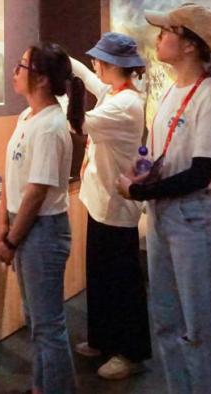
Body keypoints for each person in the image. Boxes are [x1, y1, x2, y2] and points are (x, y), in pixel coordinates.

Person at [115, 3, 211, 394]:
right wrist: (145, 173)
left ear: (190, 44)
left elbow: (201, 174)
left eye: (167, 31)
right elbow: (166, 157)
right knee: (167, 323)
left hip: (197, 220)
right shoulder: (171, 92)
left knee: (203, 329)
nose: (159, 37)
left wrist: (139, 190)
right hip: (164, 216)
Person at [0, 43, 85, 394]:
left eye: (22, 66)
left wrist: (11, 239)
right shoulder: (27, 117)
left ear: (43, 79)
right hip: (24, 227)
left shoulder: (50, 126)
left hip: (42, 231)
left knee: (48, 326)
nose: (15, 71)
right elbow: (12, 175)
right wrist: (3, 223)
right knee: (36, 321)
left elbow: (36, 192)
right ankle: (40, 387)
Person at [68, 32, 151, 380]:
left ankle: (130, 352)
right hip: (101, 201)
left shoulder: (125, 104)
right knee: (101, 275)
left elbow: (79, 123)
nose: (94, 65)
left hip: (117, 206)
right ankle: (102, 338)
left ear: (113, 65)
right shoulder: (115, 92)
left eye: (99, 60)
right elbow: (88, 78)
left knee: (122, 281)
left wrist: (60, 91)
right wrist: (61, 61)